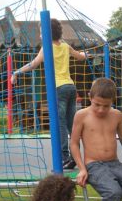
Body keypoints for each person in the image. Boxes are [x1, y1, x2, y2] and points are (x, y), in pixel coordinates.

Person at [11, 18, 87, 169]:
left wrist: (17, 72)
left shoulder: (47, 47)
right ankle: (74, 157)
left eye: (41, 32)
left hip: (58, 89)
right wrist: (85, 54)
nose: (40, 36)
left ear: (47, 33)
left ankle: (65, 158)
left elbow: (33, 64)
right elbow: (81, 57)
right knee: (71, 125)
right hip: (71, 87)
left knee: (59, 125)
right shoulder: (65, 46)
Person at [70, 77, 122, 201]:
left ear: (113, 101)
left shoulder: (116, 115)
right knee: (113, 192)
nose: (101, 109)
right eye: (97, 104)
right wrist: (82, 169)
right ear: (90, 97)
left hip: (115, 163)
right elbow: (74, 143)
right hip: (94, 166)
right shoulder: (81, 115)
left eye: (106, 106)